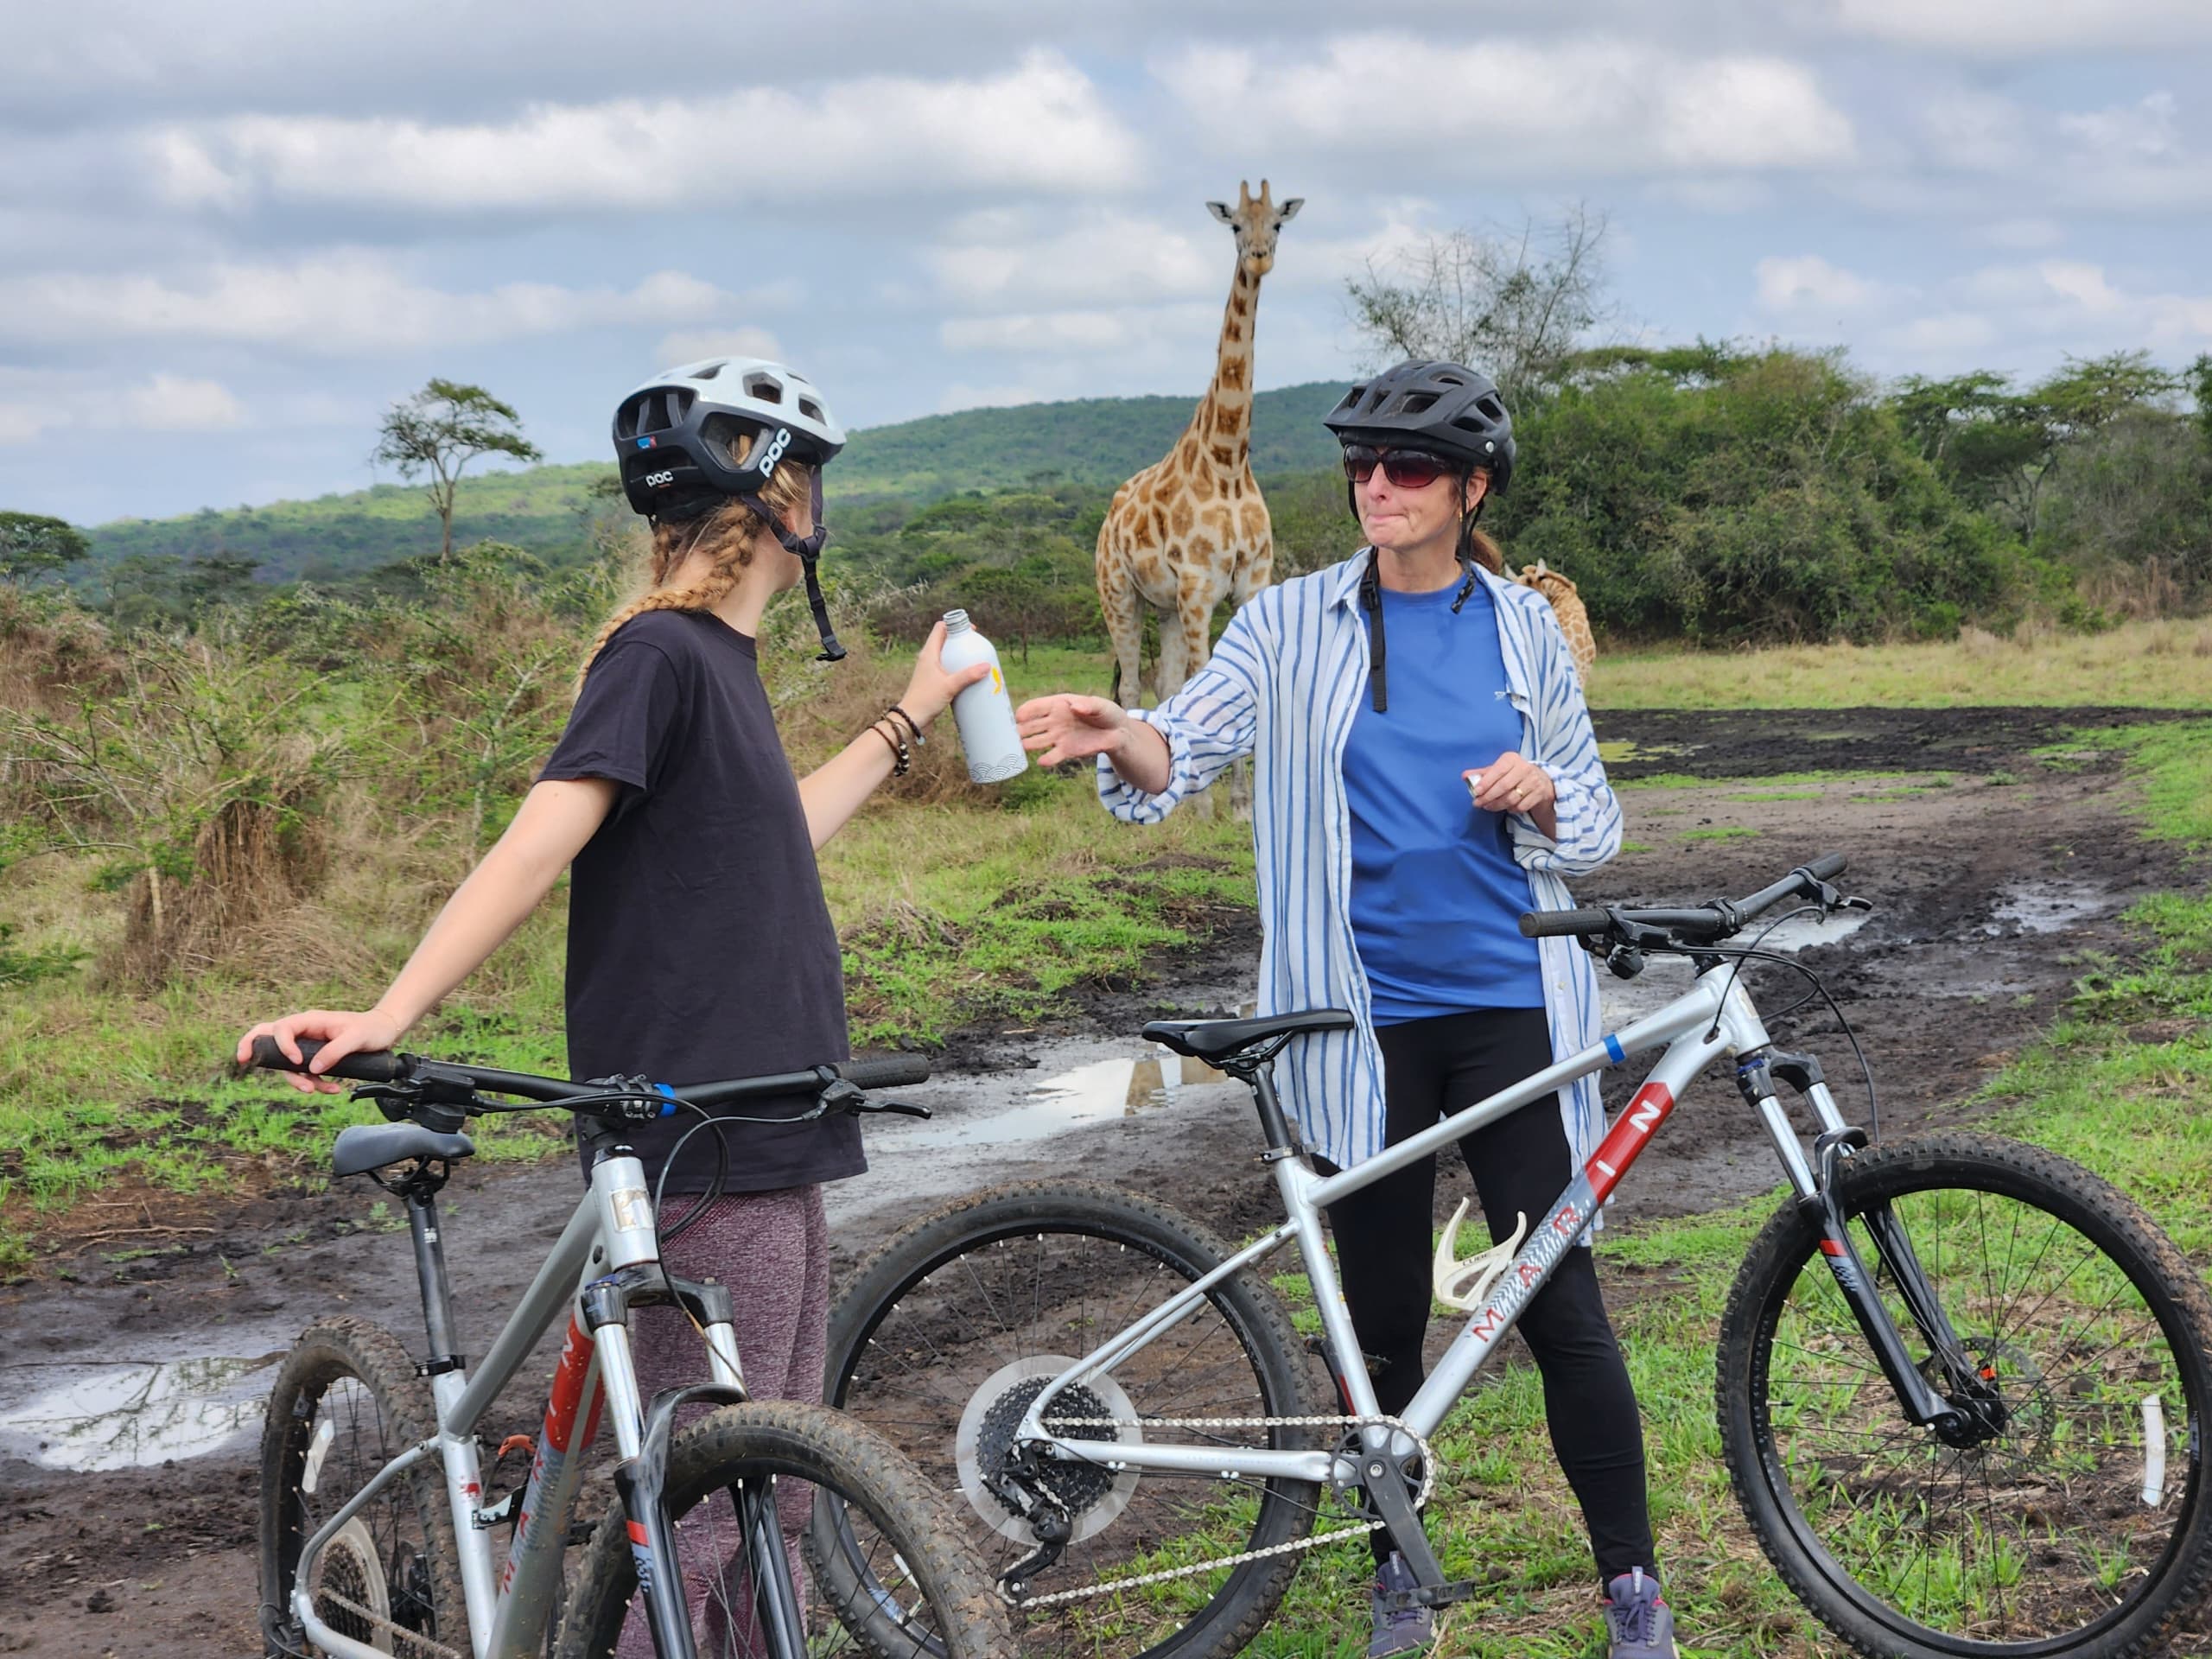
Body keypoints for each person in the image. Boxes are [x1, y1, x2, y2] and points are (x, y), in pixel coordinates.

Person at [238, 356, 987, 1652]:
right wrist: (391, 1012)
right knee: (705, 1503)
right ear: (787, 496)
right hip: (697, 1136)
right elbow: (544, 835)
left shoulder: (717, 662)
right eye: (811, 480)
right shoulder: (657, 656)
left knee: (775, 1498)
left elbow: (773, 840)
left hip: (777, 1114)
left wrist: (911, 715)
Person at [1016, 360, 1673, 1658]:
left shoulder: (1523, 630)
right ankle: (1399, 1581)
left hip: (1510, 1016)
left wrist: (1540, 793)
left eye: (1410, 467)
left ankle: (1632, 1592)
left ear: (1469, 487)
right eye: (1365, 464)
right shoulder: (1289, 624)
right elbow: (1182, 743)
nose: (1380, 484)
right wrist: (1116, 731)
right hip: (1354, 1031)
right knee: (1373, 1333)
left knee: (1561, 1307)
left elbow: (1595, 824)